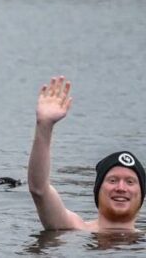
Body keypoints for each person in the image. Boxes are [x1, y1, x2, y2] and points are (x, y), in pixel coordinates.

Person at [28, 76, 144, 231]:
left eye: (130, 182)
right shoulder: (74, 228)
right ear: (97, 190)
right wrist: (45, 125)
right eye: (113, 180)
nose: (121, 188)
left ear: (142, 195)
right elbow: (39, 190)